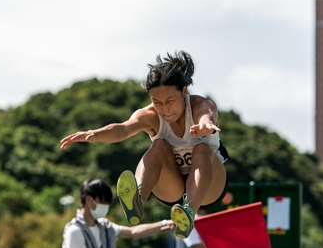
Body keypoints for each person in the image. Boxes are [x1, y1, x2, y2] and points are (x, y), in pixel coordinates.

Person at [60, 51, 229, 238]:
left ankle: (189, 212)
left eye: (170, 101)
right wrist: (96, 134)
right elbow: (123, 129)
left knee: (202, 148)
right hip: (171, 185)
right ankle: (138, 199)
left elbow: (208, 114)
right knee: (159, 146)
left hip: (209, 187)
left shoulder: (200, 105)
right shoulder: (149, 115)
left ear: (184, 91)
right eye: (157, 102)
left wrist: (206, 124)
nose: (165, 109)